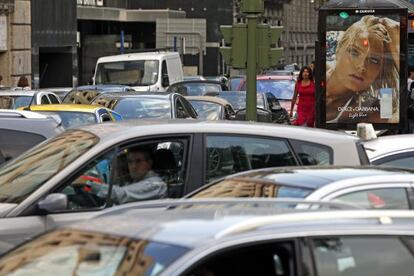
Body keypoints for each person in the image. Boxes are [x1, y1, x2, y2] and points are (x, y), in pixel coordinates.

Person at [326, 15, 400, 124]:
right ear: (338, 49)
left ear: (380, 71)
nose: (361, 66)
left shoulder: (373, 108)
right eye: (354, 52)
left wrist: (397, 47)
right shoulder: (316, 74)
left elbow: (394, 122)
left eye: (374, 60)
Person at [85, 147, 167, 205]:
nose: (133, 166)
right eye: (130, 162)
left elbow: (122, 194)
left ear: (149, 163)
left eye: (138, 161)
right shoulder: (134, 181)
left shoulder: (155, 184)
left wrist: (87, 183)